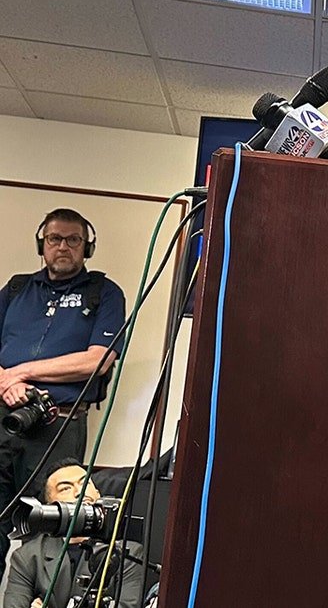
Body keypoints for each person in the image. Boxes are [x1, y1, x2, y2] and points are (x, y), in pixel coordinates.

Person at [0, 209, 126, 580]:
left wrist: (22, 372)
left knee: (48, 531)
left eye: (74, 240)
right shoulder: (16, 289)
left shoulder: (104, 292)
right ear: (42, 245)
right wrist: (7, 383)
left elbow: (98, 360)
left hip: (59, 425)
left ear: (87, 247)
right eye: (55, 239)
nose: (63, 247)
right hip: (5, 417)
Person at [4, 459, 144, 608]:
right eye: (65, 488)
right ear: (51, 505)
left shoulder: (127, 554)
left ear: (97, 492)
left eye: (85, 483)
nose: (80, 492)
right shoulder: (27, 557)